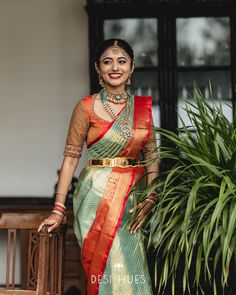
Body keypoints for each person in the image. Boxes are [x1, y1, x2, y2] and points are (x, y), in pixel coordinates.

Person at [38, 39, 159, 295]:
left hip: (132, 202)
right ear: (97, 68)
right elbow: (71, 158)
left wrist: (151, 196)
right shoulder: (84, 108)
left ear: (132, 68)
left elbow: (151, 157)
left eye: (122, 61)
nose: (115, 67)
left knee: (133, 267)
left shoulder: (142, 111)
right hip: (94, 199)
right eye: (107, 61)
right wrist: (58, 209)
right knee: (105, 268)